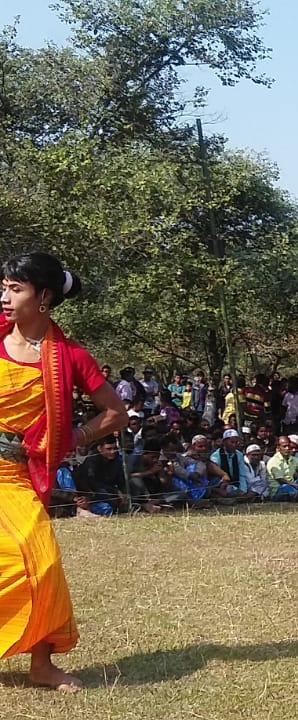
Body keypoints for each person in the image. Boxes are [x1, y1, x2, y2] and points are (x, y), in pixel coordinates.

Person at [0, 251, 127, 691]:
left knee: (43, 562)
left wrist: (71, 438)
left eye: (16, 288)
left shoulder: (70, 356)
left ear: (44, 298)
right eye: (4, 287)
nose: (4, 296)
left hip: (15, 477)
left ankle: (41, 665)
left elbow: (114, 413)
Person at [265, 436, 298, 501]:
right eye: (284, 446)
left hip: (293, 486)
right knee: (286, 487)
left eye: (289, 446)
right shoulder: (273, 461)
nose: (287, 448)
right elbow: (281, 480)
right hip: (278, 492)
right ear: (278, 447)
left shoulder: (292, 459)